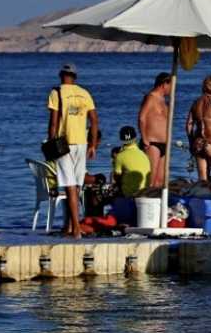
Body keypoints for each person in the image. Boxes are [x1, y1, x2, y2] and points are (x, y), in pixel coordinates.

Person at [46, 63, 99, 239]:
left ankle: (76, 228)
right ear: (75, 77)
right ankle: (70, 226)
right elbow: (94, 121)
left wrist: (51, 145)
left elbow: (53, 124)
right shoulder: (85, 93)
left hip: (63, 144)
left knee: (70, 188)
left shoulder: (57, 93)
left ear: (61, 75)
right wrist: (92, 144)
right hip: (82, 144)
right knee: (76, 186)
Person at [138, 72, 171, 188]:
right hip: (152, 143)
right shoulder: (151, 97)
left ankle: (157, 205)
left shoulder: (163, 101)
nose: (172, 89)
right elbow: (142, 117)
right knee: (151, 180)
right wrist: (144, 138)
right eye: (170, 86)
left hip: (164, 144)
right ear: (164, 84)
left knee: (160, 181)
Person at [111, 126, 151, 197]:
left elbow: (116, 177)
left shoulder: (120, 156)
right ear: (135, 138)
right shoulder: (144, 155)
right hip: (146, 191)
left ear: (121, 139)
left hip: (130, 193)